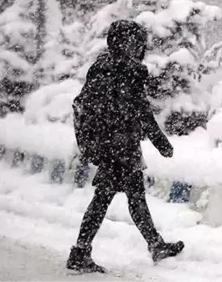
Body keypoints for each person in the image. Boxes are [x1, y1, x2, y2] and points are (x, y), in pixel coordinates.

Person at [67, 20, 184, 273]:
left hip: (108, 144)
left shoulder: (100, 67)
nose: (139, 47)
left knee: (126, 195)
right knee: (112, 198)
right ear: (124, 43)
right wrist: (162, 143)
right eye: (136, 42)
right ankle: (81, 251)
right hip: (120, 146)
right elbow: (142, 111)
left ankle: (153, 244)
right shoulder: (127, 71)